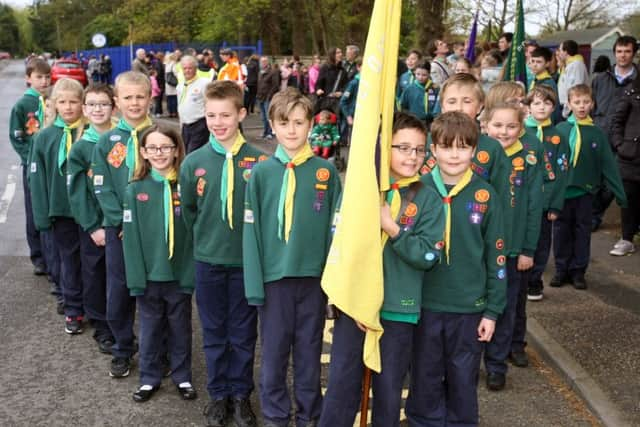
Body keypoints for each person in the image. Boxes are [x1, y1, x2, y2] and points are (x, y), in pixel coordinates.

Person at [319, 112, 445, 427]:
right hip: (355, 308)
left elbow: (428, 256)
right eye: (402, 147)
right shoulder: (361, 192)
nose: (412, 156)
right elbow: (341, 247)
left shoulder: (428, 200)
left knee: (388, 391)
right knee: (341, 388)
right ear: (383, 148)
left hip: (397, 310)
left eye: (418, 149)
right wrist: (350, 298)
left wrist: (393, 229)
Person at [243, 88, 341, 427]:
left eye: (299, 123)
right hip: (273, 282)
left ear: (311, 124)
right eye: (284, 123)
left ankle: (309, 415)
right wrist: (255, 284)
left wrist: (334, 283)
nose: (292, 130)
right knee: (273, 356)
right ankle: (275, 416)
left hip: (313, 280)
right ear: (272, 124)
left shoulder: (326, 173)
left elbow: (335, 230)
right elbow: (251, 233)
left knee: (309, 354)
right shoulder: (260, 174)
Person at [405, 111, 506, 427]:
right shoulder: (415, 190)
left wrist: (492, 311)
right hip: (424, 305)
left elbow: (497, 258)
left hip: (468, 308)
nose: (454, 155)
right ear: (433, 149)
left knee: (463, 378)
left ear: (475, 150)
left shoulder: (485, 195)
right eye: (446, 147)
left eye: (462, 147)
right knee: (424, 375)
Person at [180, 81, 261, 427]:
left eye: (225, 114)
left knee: (243, 334)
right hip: (209, 261)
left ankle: (241, 395)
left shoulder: (260, 162)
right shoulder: (194, 162)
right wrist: (206, 243)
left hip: (246, 265)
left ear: (241, 114)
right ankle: (219, 394)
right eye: (211, 115)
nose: (217, 122)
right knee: (213, 331)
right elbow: (190, 210)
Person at [122, 124, 196, 403]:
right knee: (150, 328)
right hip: (149, 275)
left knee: (181, 327)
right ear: (143, 152)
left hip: (179, 274)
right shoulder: (135, 190)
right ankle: (149, 378)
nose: (159, 153)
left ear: (176, 150)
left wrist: (190, 272)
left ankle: (182, 375)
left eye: (165, 147)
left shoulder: (187, 188)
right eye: (152, 147)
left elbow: (193, 234)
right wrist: (136, 277)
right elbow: (130, 238)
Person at [92, 71, 154, 378]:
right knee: (118, 291)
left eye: (139, 96)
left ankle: (158, 350)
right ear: (117, 102)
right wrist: (120, 220)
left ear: (150, 98)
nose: (134, 103)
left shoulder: (161, 137)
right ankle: (122, 347)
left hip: (154, 230)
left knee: (155, 292)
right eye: (127, 97)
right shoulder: (107, 142)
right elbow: (101, 186)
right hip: (119, 230)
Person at [481, 101, 543, 391]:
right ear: (485, 125)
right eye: (497, 125)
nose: (503, 131)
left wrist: (528, 249)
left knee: (504, 309)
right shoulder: (477, 156)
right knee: (474, 308)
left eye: (511, 126)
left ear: (521, 128)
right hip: (478, 250)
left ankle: (496, 365)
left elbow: (533, 206)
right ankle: (469, 362)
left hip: (510, 251)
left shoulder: (527, 160)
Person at [552, 84, 627, 289]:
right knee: (560, 232)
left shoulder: (597, 133)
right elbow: (548, 161)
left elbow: (608, 165)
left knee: (582, 232)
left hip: (585, 193)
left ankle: (578, 271)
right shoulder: (560, 130)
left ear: (592, 104)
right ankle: (561, 269)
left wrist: (620, 194)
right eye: (577, 102)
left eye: (586, 102)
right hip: (561, 193)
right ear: (569, 104)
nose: (582, 106)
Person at [29, 78, 86, 334]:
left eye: (74, 101)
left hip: (89, 212)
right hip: (61, 210)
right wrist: (42, 215)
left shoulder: (90, 133)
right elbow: (37, 179)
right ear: (53, 105)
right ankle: (73, 308)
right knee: (68, 260)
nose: (68, 107)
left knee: (92, 262)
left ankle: (93, 305)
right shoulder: (44, 137)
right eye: (62, 102)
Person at [67, 83, 117, 353]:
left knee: (118, 276)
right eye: (93, 104)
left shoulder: (121, 141)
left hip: (120, 224)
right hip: (95, 227)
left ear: (113, 106)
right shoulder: (80, 148)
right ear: (84, 110)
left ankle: (120, 321)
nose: (98, 109)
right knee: (95, 274)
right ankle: (102, 326)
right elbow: (77, 192)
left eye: (104, 104)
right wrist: (92, 226)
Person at [525, 85, 570, 302]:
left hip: (544, 203)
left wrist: (555, 204)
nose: (541, 107)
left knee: (541, 243)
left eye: (546, 103)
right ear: (528, 107)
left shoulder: (558, 136)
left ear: (553, 107)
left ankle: (535, 280)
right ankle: (519, 278)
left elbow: (562, 173)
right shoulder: (521, 133)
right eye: (536, 103)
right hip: (521, 201)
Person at [591, 36, 638, 233]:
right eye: (619, 51)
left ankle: (600, 215)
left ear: (634, 53)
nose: (623, 55)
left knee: (615, 181)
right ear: (614, 53)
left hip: (627, 141)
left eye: (627, 51)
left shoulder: (637, 80)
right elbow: (590, 105)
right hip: (601, 134)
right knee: (595, 179)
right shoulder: (601, 79)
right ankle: (592, 217)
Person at [9, 58, 50, 277]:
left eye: (47, 77)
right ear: (28, 79)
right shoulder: (23, 105)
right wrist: (31, 158)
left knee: (49, 210)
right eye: (39, 77)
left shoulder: (53, 100)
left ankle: (52, 253)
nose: (44, 82)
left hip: (52, 167)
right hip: (33, 167)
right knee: (34, 210)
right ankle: (38, 256)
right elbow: (17, 138)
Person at [609, 66, 640, 257]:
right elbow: (617, 120)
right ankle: (627, 238)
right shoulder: (632, 90)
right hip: (631, 156)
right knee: (628, 198)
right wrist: (620, 144)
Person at [177, 55, 211, 153]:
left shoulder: (204, 83)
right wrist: (181, 124)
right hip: (186, 126)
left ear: (195, 69)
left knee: (192, 153)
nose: (187, 71)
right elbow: (180, 105)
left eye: (190, 68)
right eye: (185, 68)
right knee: (185, 152)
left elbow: (210, 103)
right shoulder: (180, 86)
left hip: (199, 124)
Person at [399, 60, 439, 127]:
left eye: (424, 75)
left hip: (431, 123)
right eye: (418, 74)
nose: (420, 77)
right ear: (414, 72)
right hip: (414, 122)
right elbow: (403, 106)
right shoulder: (409, 89)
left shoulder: (435, 88)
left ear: (429, 74)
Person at [557, 40, 589, 119]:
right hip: (567, 107)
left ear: (566, 52)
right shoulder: (569, 65)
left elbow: (575, 90)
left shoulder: (576, 65)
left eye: (560, 50)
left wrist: (567, 110)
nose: (558, 53)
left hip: (571, 110)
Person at [315, 47, 347, 114]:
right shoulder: (325, 68)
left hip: (337, 103)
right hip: (326, 101)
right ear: (332, 55)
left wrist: (341, 92)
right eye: (338, 53)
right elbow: (318, 83)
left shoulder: (343, 70)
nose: (341, 54)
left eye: (341, 52)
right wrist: (318, 90)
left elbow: (346, 85)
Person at [257, 57, 280, 140]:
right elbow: (259, 84)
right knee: (263, 117)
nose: (262, 63)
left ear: (267, 62)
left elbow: (275, 85)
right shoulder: (260, 72)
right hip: (260, 97)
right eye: (261, 61)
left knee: (268, 116)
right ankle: (265, 131)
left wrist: (270, 95)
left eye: (264, 61)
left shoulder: (273, 72)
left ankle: (270, 132)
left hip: (268, 97)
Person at [164, 53, 179, 118]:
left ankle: (170, 112)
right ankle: (174, 112)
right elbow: (176, 74)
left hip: (168, 84)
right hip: (173, 84)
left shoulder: (167, 64)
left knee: (169, 99)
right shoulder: (173, 64)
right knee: (174, 99)